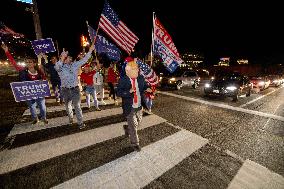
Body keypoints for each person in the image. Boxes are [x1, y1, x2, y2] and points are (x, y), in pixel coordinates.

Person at [1, 43, 48, 124]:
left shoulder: (39, 71)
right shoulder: (23, 71)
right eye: (27, 62)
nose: (28, 63)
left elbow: (44, 80)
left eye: (30, 62)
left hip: (39, 93)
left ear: (34, 63)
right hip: (28, 93)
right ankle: (35, 119)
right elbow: (14, 63)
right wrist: (7, 52)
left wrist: (43, 76)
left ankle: (43, 117)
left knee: (42, 107)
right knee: (32, 107)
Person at [55, 42, 95, 129]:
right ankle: (70, 117)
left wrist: (90, 51)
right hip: (65, 90)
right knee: (68, 105)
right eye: (67, 57)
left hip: (75, 89)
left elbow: (84, 60)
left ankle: (80, 123)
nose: (69, 59)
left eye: (69, 57)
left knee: (77, 106)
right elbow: (57, 66)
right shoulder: (60, 67)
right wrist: (62, 57)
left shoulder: (74, 65)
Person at [116, 57, 152, 151]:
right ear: (128, 71)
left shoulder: (140, 78)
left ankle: (127, 128)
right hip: (129, 106)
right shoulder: (123, 80)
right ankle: (135, 143)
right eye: (135, 69)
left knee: (137, 123)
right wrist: (128, 92)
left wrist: (147, 88)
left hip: (139, 106)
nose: (137, 70)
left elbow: (144, 85)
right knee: (133, 126)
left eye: (137, 69)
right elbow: (118, 92)